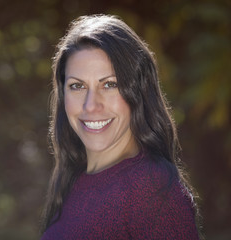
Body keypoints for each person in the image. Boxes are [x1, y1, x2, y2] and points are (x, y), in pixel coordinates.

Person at [40, 14, 201, 239]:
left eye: (109, 84)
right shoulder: (72, 183)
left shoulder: (151, 190)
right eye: (77, 86)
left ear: (137, 92)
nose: (91, 105)